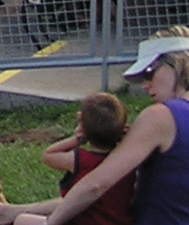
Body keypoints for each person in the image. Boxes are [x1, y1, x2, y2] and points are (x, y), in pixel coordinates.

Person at [0, 30, 189, 225]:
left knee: (31, 222)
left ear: (177, 66)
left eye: (150, 73)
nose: (146, 85)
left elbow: (97, 183)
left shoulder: (163, 116)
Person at [36, 92, 134, 225]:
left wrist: (77, 139)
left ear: (81, 122)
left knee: (22, 220)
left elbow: (48, 155)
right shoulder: (128, 162)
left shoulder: (80, 160)